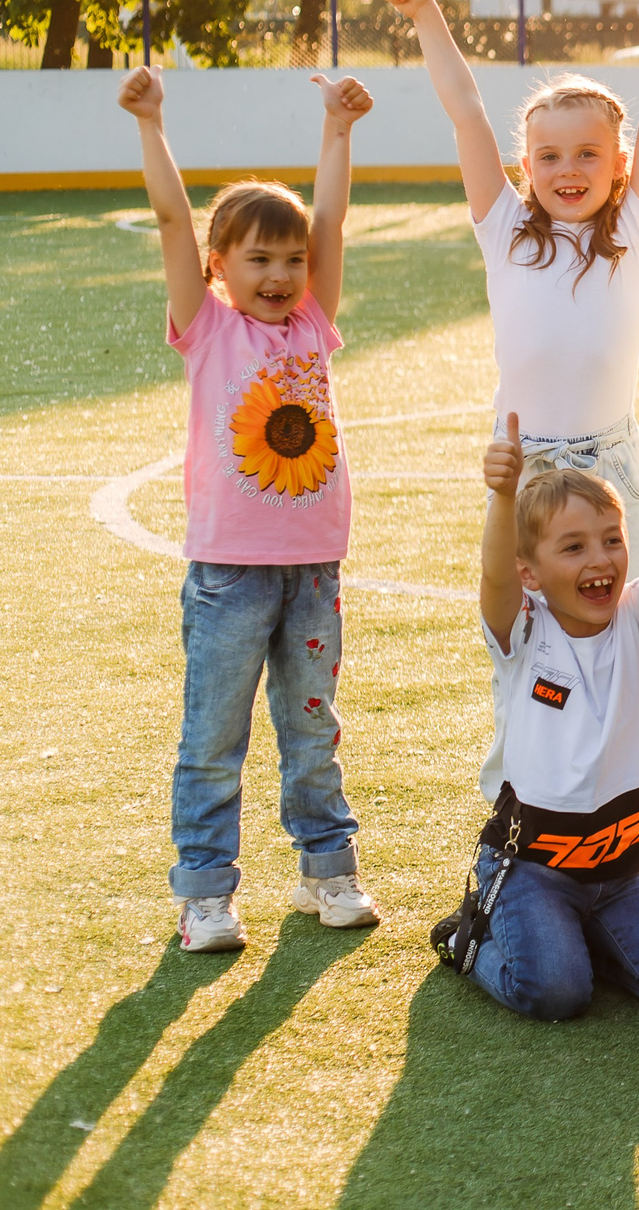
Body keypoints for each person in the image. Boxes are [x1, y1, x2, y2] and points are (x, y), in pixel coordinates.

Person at [379, 0, 639, 806]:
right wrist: (426, 10)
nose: (568, 168)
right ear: (526, 164)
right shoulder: (505, 229)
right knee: (522, 645)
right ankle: (520, 797)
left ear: (618, 164)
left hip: (611, 469)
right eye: (548, 155)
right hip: (527, 470)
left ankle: (622, 813)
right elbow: (466, 110)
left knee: (623, 645)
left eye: (589, 153)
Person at [119, 65, 382, 952]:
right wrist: (153, 124)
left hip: (313, 569)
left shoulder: (313, 322)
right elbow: (168, 218)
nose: (280, 274)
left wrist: (337, 130)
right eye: (258, 259)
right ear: (218, 266)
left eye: (291, 259)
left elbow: (333, 220)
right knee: (214, 736)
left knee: (312, 730)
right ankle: (205, 893)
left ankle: (327, 871)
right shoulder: (207, 328)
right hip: (229, 574)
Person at [436, 415, 639, 1021]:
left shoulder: (638, 621)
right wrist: (502, 495)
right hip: (533, 869)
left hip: (628, 869)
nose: (600, 559)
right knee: (556, 992)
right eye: (573, 547)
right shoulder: (525, 631)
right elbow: (495, 575)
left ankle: (587, 937)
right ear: (532, 573)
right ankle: (469, 939)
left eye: (611, 539)